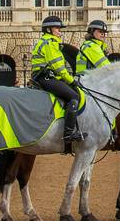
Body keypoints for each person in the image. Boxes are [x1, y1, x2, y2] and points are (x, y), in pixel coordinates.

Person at [30, 15, 84, 144]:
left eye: (60, 28)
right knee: (74, 97)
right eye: (57, 28)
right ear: (49, 29)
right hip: (46, 77)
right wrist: (71, 80)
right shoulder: (50, 43)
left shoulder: (47, 41)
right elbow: (59, 68)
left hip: (45, 76)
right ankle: (68, 134)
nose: (60, 31)